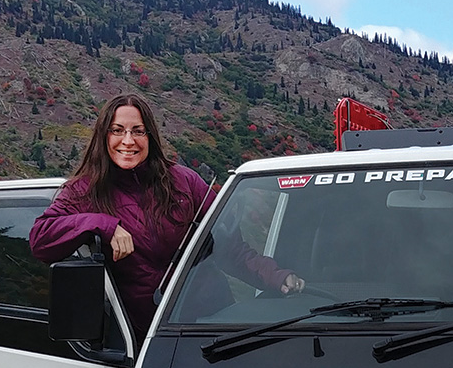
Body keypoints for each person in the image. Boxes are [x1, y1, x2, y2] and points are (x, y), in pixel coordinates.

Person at [30, 94, 304, 341]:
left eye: (138, 131)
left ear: (150, 136)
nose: (128, 141)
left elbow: (229, 249)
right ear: (104, 136)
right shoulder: (83, 191)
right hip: (148, 340)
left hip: (212, 328)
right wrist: (103, 224)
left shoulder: (185, 182)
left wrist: (277, 277)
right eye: (117, 131)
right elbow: (41, 239)